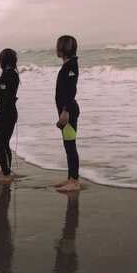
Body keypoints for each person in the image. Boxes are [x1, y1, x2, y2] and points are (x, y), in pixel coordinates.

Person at [54, 35, 81, 192]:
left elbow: (71, 91)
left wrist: (65, 112)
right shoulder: (69, 65)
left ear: (62, 49)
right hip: (66, 110)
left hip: (69, 112)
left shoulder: (71, 66)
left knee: (70, 146)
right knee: (67, 145)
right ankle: (71, 178)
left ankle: (75, 181)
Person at [0, 48, 20, 184]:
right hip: (8, 113)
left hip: (7, 114)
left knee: (0, 143)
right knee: (4, 143)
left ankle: (6, 173)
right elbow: (4, 90)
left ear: (3, 60)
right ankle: (5, 170)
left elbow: (7, 98)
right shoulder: (11, 74)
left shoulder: (9, 75)